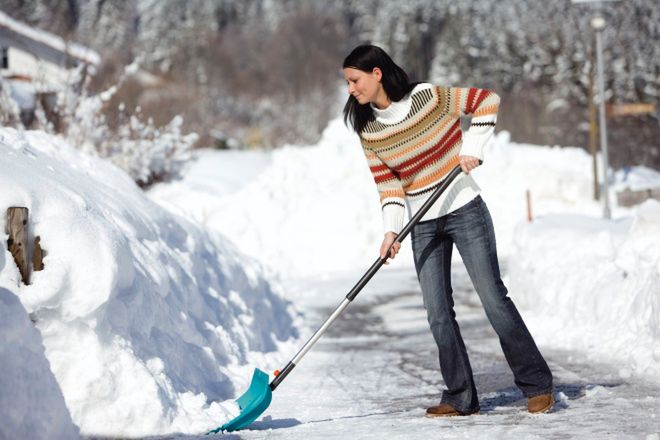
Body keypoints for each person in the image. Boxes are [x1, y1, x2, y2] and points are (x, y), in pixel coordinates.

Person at [342, 44, 554, 417]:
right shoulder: (369, 130)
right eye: (347, 83)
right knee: (437, 312)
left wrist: (472, 147)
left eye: (354, 80)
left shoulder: (428, 98)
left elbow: (487, 100)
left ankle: (536, 384)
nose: (351, 90)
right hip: (421, 224)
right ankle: (460, 396)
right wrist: (392, 232)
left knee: (493, 298)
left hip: (463, 208)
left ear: (377, 73)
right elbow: (389, 187)